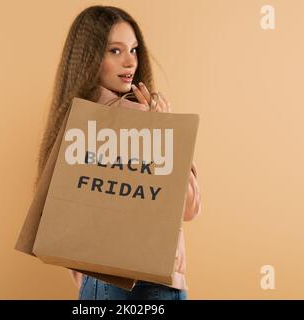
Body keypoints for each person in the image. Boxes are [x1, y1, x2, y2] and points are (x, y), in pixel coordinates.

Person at [35, 5, 201, 300]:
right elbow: (188, 207)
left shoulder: (71, 121)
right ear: (90, 56)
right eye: (115, 51)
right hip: (149, 284)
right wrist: (165, 131)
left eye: (134, 50)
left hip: (95, 284)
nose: (130, 62)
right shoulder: (139, 118)